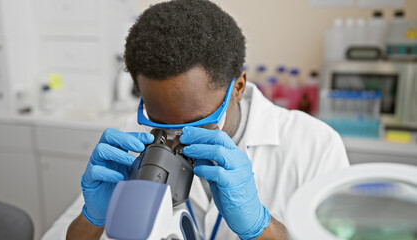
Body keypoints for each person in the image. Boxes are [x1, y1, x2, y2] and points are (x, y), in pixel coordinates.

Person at [42, 0, 349, 239]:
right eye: (159, 121)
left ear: (238, 87)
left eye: (197, 122)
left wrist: (261, 227)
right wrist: (93, 218)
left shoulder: (315, 145)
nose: (174, 137)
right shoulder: (130, 136)